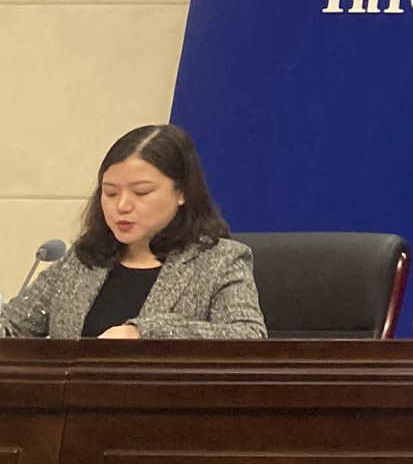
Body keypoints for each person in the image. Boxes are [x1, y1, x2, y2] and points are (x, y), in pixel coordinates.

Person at [0, 123, 264, 340]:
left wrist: (144, 332)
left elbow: (248, 337)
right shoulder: (82, 260)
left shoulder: (220, 261)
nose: (122, 206)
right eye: (110, 193)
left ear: (181, 192)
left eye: (141, 192)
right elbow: (11, 329)